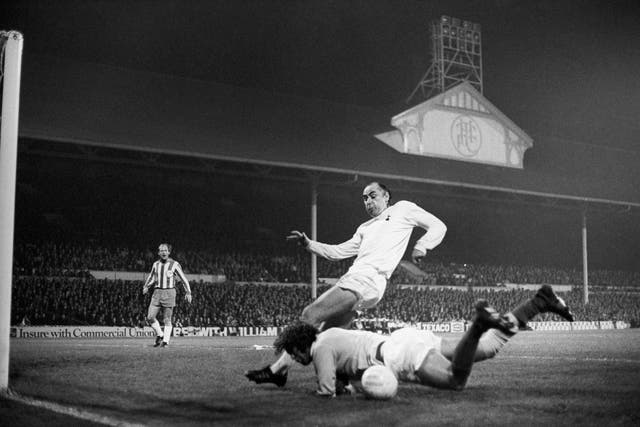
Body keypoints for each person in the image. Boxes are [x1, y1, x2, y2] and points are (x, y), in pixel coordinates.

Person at [246, 181, 447, 386]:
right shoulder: (364, 228)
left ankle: (278, 370)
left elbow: (438, 225)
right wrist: (309, 244)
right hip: (366, 284)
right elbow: (338, 252)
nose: (368, 201)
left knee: (310, 315)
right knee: (327, 337)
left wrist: (423, 245)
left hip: (366, 279)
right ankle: (341, 382)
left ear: (386, 197)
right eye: (365, 198)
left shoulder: (402, 209)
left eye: (373, 195)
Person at [271, 285, 574, 397]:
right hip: (402, 340)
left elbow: (327, 392)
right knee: (486, 350)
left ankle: (479, 323)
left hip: (398, 355)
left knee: (457, 381)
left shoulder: (320, 347)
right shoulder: (330, 336)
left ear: (300, 345)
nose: (295, 360)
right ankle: (538, 302)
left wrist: (324, 390)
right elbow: (344, 380)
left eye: (293, 355)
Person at [142, 243, 192, 347]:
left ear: (169, 252)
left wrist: (188, 292)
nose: (163, 252)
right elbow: (151, 277)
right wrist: (146, 286)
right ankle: (160, 334)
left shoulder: (174, 264)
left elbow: (183, 279)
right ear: (158, 253)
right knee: (150, 317)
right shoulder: (156, 264)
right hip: (157, 292)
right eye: (161, 250)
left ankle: (165, 341)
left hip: (169, 293)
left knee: (167, 319)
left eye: (165, 250)